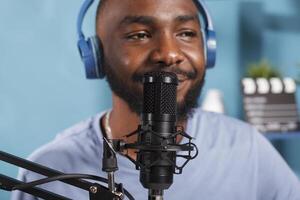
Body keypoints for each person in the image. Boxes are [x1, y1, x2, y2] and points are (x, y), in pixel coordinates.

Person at [12, 0, 300, 199]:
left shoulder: (248, 150)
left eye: (186, 33)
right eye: (140, 35)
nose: (168, 53)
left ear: (207, 49)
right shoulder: (50, 170)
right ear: (96, 57)